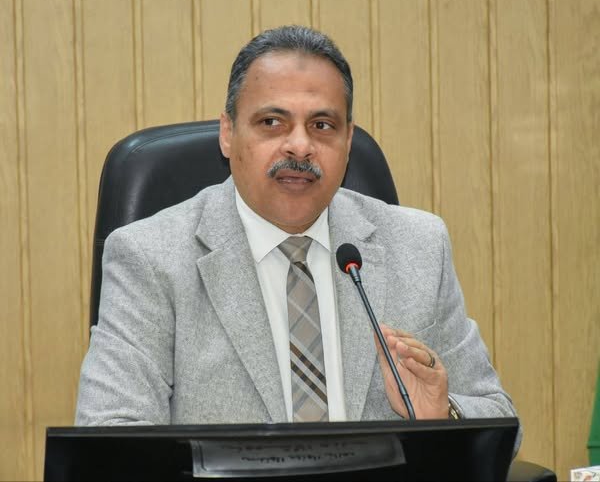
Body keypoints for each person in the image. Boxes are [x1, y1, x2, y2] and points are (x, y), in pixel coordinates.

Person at [75, 25, 519, 442]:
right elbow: (111, 437)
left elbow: (500, 421)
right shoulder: (150, 258)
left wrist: (443, 415)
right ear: (228, 133)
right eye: (272, 122)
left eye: (322, 126)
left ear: (348, 141)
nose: (300, 146)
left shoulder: (418, 246)